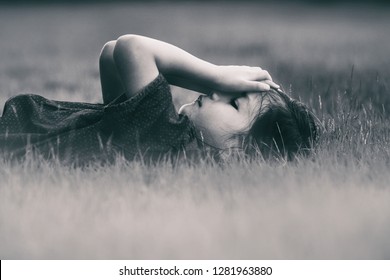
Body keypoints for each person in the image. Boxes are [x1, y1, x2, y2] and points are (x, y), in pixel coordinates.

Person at [0, 34, 318, 164]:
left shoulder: (170, 141)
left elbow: (132, 48)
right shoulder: (156, 139)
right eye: (226, 90)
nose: (215, 92)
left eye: (234, 103)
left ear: (237, 156)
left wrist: (215, 74)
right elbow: (112, 56)